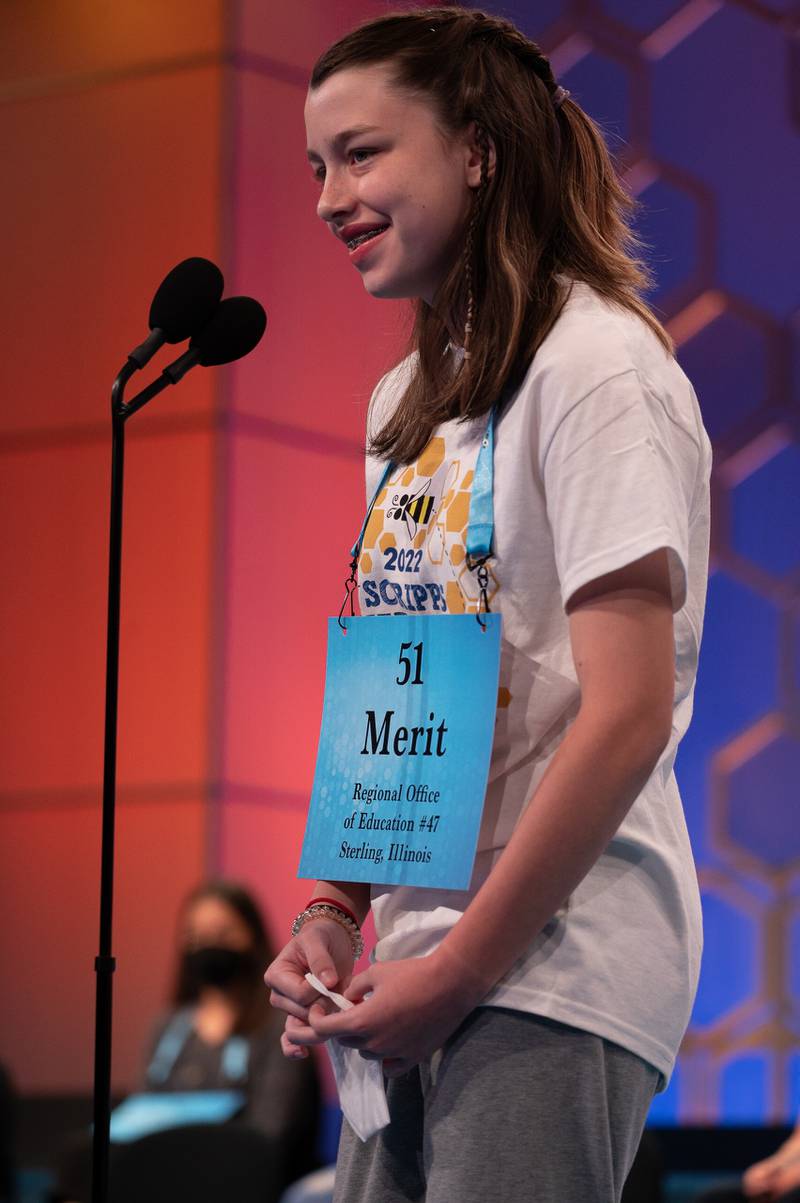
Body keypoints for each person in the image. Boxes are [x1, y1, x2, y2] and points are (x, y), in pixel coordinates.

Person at [265, 7, 712, 1202]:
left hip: (549, 966)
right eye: (316, 166)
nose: (326, 198)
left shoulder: (597, 367)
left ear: (475, 148)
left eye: (362, 154)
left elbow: (623, 714)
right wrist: (331, 910)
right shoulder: (403, 399)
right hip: (411, 964)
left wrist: (462, 968)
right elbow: (404, 676)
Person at [52, 880, 319, 1202]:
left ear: (252, 937)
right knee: (82, 1157)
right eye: (196, 937)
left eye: (222, 935)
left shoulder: (278, 1024)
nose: (208, 945)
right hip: (164, 1170)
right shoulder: (169, 1026)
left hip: (239, 1175)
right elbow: (145, 1107)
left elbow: (271, 1132)